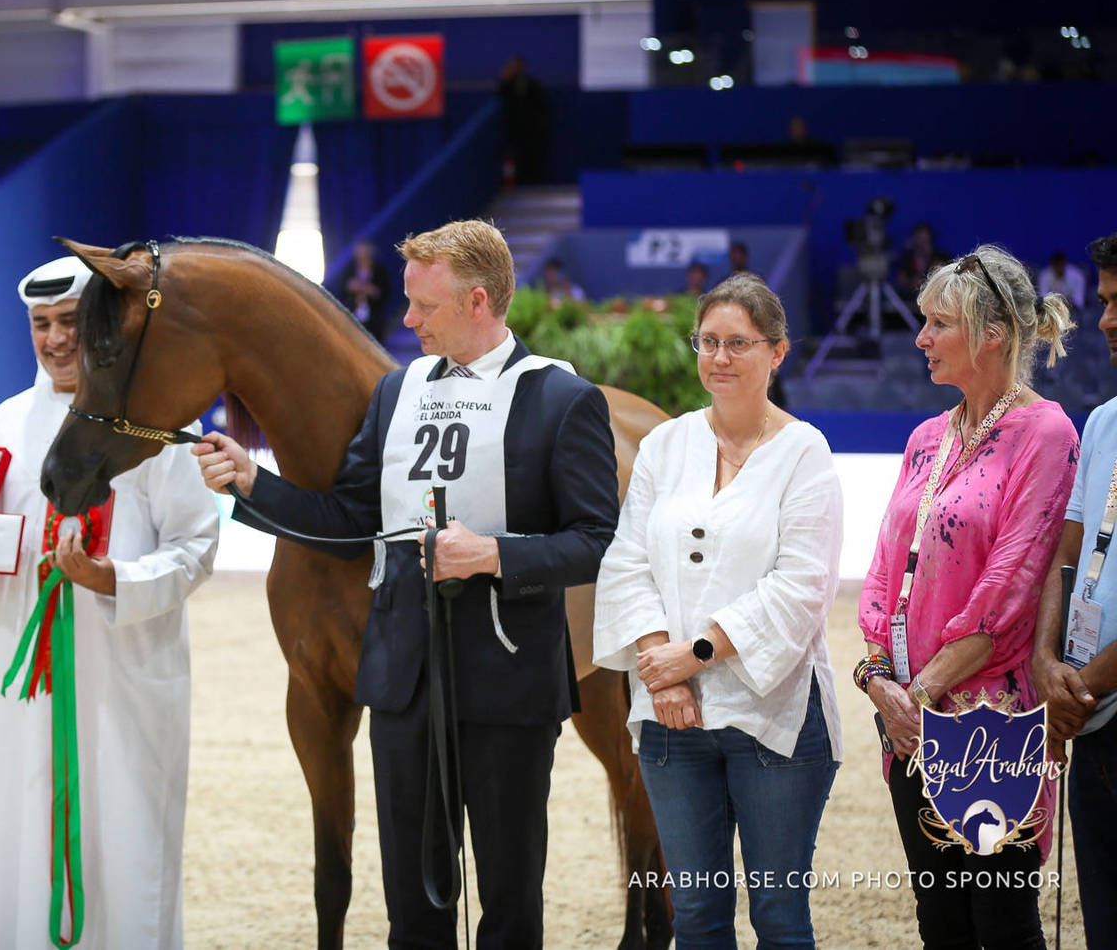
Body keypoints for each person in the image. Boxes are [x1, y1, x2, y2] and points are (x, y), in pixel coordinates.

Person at [193, 219, 620, 947]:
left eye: (425, 305)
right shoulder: (397, 392)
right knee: (412, 910)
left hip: (509, 680)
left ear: (478, 302)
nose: (408, 319)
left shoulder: (560, 398)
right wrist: (253, 482)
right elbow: (351, 517)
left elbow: (595, 540)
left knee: (510, 901)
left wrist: (492, 555)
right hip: (403, 681)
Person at [0, 257, 219, 949]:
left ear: (102, 325)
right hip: (24, 682)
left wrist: (113, 579)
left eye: (70, 322)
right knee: (22, 831)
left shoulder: (157, 416)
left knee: (127, 836)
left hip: (125, 675)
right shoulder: (5, 421)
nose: (54, 339)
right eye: (41, 323)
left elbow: (196, 546)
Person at [593, 272, 843, 946]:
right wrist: (663, 668)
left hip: (774, 719)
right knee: (697, 918)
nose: (720, 357)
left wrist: (695, 653)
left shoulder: (805, 452)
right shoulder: (664, 445)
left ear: (778, 351)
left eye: (738, 343)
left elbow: (801, 587)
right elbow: (626, 561)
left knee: (779, 919)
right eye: (708, 341)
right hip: (671, 717)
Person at [858, 244, 1077, 949]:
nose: (921, 338)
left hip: (992, 722)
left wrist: (917, 695)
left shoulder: (1046, 433)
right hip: (905, 721)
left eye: (939, 323)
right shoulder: (927, 436)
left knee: (1003, 926)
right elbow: (883, 573)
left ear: (993, 334)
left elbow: (1008, 590)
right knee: (941, 925)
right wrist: (880, 681)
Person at [1032, 232, 1117, 950]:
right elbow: (1069, 554)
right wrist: (1045, 662)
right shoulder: (1103, 421)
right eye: (1107, 301)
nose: (1108, 320)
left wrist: (1080, 687)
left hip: (1090, 697)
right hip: (1088, 715)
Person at [498, 56, 549, 185]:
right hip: (514, 129)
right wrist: (505, 79)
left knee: (531, 157)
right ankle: (517, 183)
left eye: (518, 66)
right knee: (514, 157)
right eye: (514, 66)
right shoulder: (507, 83)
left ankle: (533, 182)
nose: (516, 68)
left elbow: (540, 104)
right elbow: (500, 95)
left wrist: (539, 123)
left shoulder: (531, 83)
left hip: (531, 130)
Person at [340, 241, 394, 341]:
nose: (363, 255)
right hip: (352, 316)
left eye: (365, 252)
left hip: (374, 319)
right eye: (361, 252)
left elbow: (384, 292)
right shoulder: (349, 270)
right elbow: (344, 290)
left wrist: (366, 288)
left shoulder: (379, 271)